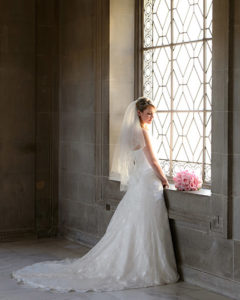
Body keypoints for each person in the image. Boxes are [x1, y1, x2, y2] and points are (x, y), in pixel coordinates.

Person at [12, 97, 179, 293]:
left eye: (153, 114)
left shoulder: (132, 132)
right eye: (148, 113)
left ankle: (140, 263)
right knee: (146, 224)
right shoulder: (142, 132)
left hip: (140, 182)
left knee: (137, 224)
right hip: (148, 182)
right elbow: (153, 161)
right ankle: (147, 267)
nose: (151, 117)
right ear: (139, 113)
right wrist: (165, 180)